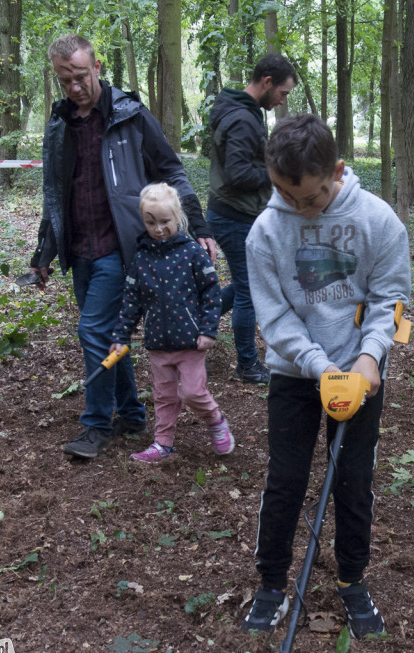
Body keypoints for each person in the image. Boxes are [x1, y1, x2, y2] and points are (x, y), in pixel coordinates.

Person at [240, 114, 411, 639]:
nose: (296, 208)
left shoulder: (380, 221)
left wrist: (369, 358)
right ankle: (271, 583)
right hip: (294, 374)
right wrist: (318, 366)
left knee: (354, 481)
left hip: (360, 377)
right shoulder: (264, 231)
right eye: (283, 194)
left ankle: (353, 580)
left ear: (337, 171)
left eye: (310, 198)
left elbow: (393, 300)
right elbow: (273, 316)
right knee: (285, 478)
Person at [28, 34, 217, 460]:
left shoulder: (130, 116)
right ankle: (131, 414)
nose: (74, 88)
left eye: (79, 77)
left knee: (92, 331)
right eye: (65, 81)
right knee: (112, 337)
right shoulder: (59, 124)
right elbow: (53, 192)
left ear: (95, 67)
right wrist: (45, 253)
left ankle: (96, 424)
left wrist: (198, 224)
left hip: (121, 246)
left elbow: (171, 168)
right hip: (79, 249)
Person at [109, 183, 234, 462]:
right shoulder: (141, 258)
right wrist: (121, 336)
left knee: (191, 392)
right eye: (150, 222)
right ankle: (163, 443)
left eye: (165, 221)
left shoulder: (193, 253)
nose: (159, 228)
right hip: (158, 343)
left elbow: (212, 293)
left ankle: (215, 421)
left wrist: (208, 330)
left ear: (178, 217)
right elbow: (131, 301)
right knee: (164, 396)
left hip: (191, 341)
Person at [207, 54, 297, 384]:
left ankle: (197, 321)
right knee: (249, 291)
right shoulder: (242, 119)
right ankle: (247, 364)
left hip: (232, 212)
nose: (282, 100)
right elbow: (238, 174)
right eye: (283, 93)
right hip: (233, 215)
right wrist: (276, 171)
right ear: (267, 81)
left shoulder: (242, 111)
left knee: (245, 285)